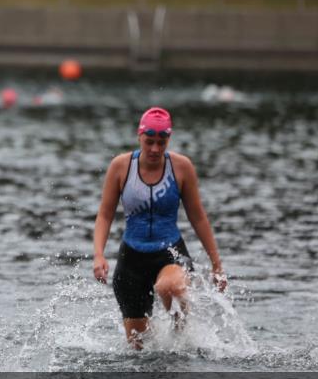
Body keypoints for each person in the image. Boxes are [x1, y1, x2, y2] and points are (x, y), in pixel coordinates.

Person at [92, 107, 226, 349]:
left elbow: (198, 218)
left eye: (161, 142)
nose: (154, 149)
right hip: (131, 259)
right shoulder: (121, 166)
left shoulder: (181, 167)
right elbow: (104, 214)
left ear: (168, 139)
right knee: (139, 348)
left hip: (170, 252)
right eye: (149, 141)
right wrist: (99, 255)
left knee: (170, 286)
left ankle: (181, 337)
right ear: (139, 136)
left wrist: (217, 264)